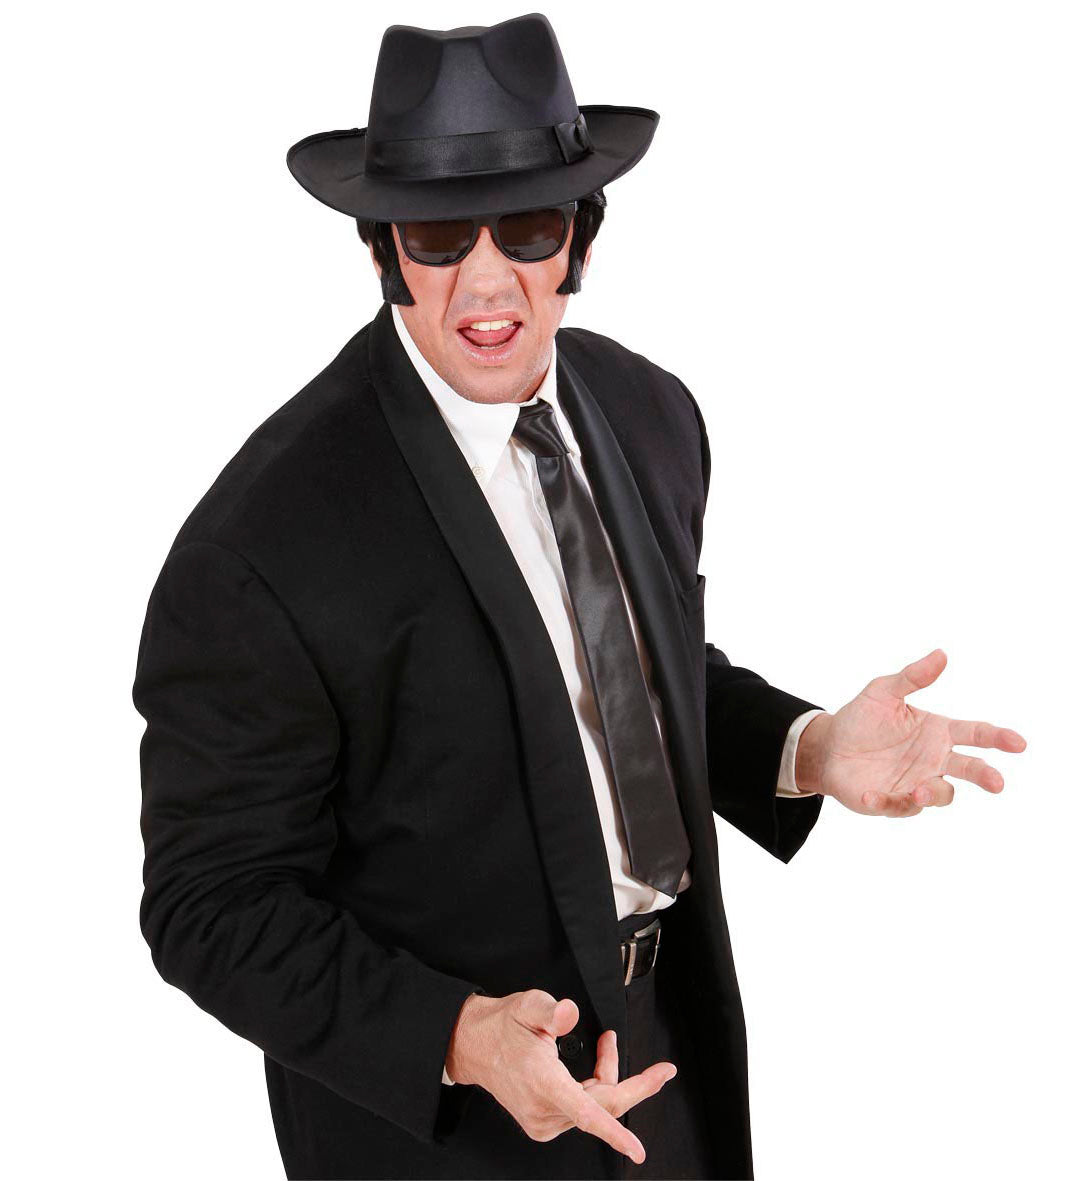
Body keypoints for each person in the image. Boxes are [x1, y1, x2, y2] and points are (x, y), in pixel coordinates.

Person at [132, 14, 1027, 1180]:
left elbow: (628, 679)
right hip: (444, 1130)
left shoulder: (650, 414)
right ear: (384, 251)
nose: (485, 279)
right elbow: (209, 902)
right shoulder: (262, 544)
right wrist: (458, 1036)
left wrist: (803, 747)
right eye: (438, 236)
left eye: (528, 226)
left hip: (669, 1057)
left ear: (581, 240)